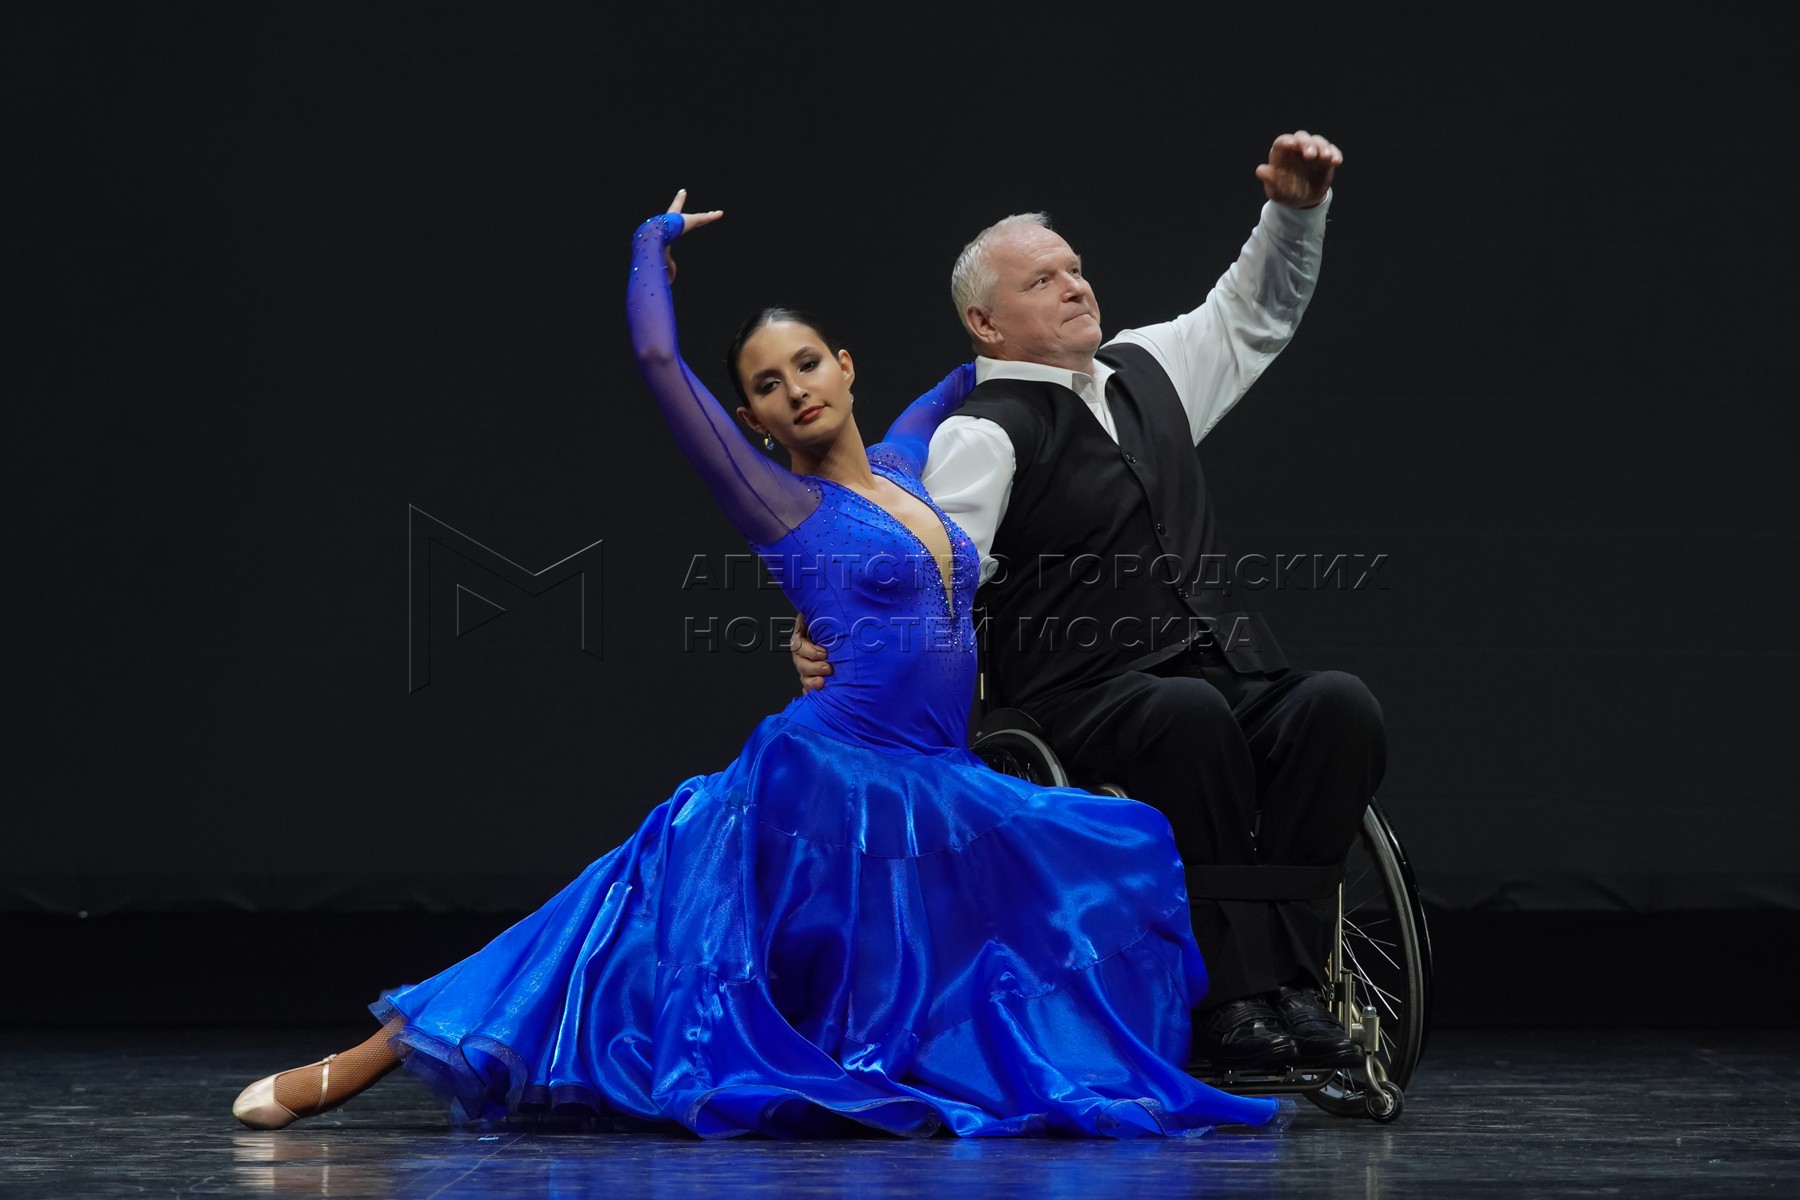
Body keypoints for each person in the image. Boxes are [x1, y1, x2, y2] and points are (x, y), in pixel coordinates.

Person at [229, 193, 1283, 1139]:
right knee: (617, 914)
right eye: (767, 386)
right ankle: (357, 1062)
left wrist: (1048, 287)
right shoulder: (779, 503)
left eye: (808, 365)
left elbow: (989, 360)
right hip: (827, 770)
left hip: (937, 776)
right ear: (752, 419)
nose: (794, 391)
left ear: (846, 367)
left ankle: (1186, 1034)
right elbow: (658, 364)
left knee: (1118, 845)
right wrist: (650, 250)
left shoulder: (914, 459)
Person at [791, 132, 1385, 1071]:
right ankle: (1227, 998)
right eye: (1043, 281)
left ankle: (1298, 980)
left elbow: (1253, 311)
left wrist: (1295, 210)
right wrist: (839, 639)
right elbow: (929, 580)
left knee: (1335, 708)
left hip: (1215, 671)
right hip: (1079, 698)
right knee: (1189, 719)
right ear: (986, 324)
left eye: (1074, 269)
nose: (1075, 286)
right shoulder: (982, 436)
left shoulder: (1149, 369)